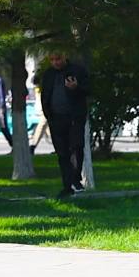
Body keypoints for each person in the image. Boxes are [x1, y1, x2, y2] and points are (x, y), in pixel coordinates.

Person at [40, 52, 89, 198]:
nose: (56, 62)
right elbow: (45, 96)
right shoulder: (48, 75)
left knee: (76, 146)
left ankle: (76, 178)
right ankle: (67, 185)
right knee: (62, 154)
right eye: (53, 60)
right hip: (56, 119)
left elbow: (88, 89)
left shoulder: (77, 71)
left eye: (58, 59)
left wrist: (76, 87)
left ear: (65, 56)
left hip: (74, 117)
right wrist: (49, 116)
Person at [29, 74, 48, 155]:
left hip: (46, 110)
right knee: (49, 129)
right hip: (43, 110)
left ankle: (33, 146)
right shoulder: (38, 89)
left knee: (41, 126)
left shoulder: (42, 88)